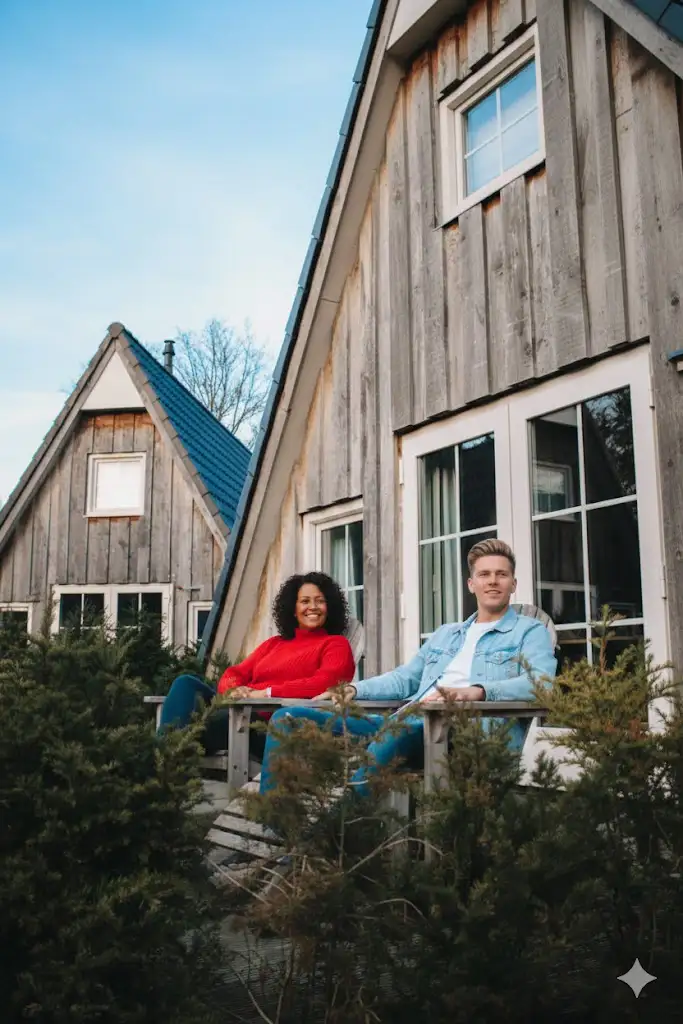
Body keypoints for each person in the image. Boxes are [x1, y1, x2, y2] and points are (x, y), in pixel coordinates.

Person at [259, 539, 557, 795]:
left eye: (501, 574)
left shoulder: (530, 632)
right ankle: (273, 824)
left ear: (513, 584)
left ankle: (334, 830)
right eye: (485, 574)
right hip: (407, 721)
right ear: (471, 584)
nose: (493, 581)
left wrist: (475, 692)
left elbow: (541, 685)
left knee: (396, 733)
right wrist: (353, 689)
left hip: (465, 734)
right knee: (288, 717)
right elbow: (404, 679)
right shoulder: (447, 634)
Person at [158, 572, 356, 752]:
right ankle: (167, 754)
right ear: (293, 610)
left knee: (192, 729)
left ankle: (164, 761)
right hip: (237, 710)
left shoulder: (336, 645)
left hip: (268, 725)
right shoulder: (274, 644)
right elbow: (233, 674)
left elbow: (325, 684)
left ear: (329, 607)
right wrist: (234, 689)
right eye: (305, 601)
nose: (312, 607)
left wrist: (267, 693)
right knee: (186, 683)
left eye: (319, 601)